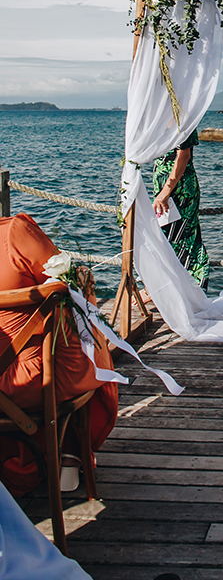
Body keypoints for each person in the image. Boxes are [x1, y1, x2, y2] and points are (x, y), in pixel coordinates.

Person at [0, 213, 118, 497]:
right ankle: (70, 451)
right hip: (29, 383)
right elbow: (66, 288)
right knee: (82, 338)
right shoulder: (14, 233)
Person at [152, 129, 209, 290]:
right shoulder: (161, 119)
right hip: (165, 188)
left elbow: (183, 156)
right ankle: (170, 289)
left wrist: (165, 192)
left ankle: (190, 289)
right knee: (168, 239)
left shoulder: (182, 120)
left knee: (182, 239)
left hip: (179, 189)